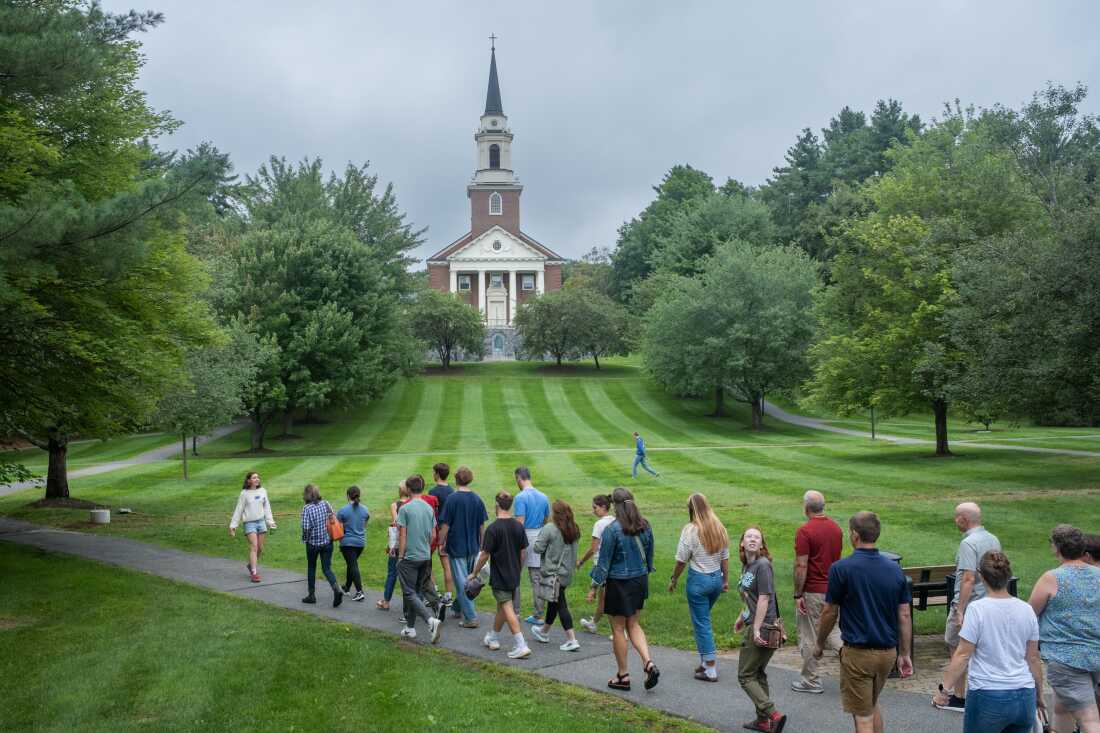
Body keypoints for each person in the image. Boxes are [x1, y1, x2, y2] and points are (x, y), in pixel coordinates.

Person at [814, 511, 913, 733]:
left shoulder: (842, 568)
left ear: (854, 535)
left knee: (863, 716)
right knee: (871, 705)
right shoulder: (895, 570)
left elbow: (830, 611)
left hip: (858, 653)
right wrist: (904, 653)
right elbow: (904, 615)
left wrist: (820, 642)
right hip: (887, 653)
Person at [932, 551, 1044, 733]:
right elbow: (1033, 658)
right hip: (1024, 693)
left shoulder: (977, 610)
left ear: (981, 576)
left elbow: (962, 654)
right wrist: (1039, 694)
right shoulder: (1026, 610)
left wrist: (944, 690)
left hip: (988, 693)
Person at [1027, 524, 1100, 733]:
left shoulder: (1052, 578)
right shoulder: (1098, 574)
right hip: (1097, 654)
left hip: (1066, 658)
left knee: (1090, 719)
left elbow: (1029, 614)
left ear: (1056, 548)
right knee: (1061, 707)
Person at [588, 487, 659, 692]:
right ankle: (648, 663)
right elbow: (650, 555)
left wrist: (594, 587)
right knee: (634, 624)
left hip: (618, 583)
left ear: (616, 506)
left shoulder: (612, 529)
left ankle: (623, 675)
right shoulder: (645, 525)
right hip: (640, 580)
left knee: (618, 628)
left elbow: (603, 563)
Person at [938, 501, 1002, 713]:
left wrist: (960, 610)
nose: (955, 520)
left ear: (963, 519)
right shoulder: (992, 538)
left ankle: (959, 696)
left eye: (957, 517)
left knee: (955, 646)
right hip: (989, 601)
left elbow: (967, 578)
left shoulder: (968, 543)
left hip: (971, 602)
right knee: (981, 650)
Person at [668, 493, 729, 682]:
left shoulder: (690, 530)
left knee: (702, 623)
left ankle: (710, 667)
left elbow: (681, 560)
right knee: (702, 620)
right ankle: (704, 662)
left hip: (699, 581)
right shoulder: (719, 527)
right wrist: (725, 580)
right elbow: (725, 557)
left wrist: (674, 579)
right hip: (715, 580)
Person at [734, 526, 787, 732]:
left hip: (763, 627)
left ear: (762, 544)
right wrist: (742, 617)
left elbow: (765, 598)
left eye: (757, 537)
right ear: (742, 542)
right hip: (756, 623)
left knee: (745, 675)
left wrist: (756, 629)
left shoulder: (762, 565)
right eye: (749, 536)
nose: (753, 539)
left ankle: (772, 713)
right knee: (758, 673)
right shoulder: (748, 566)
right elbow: (751, 597)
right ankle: (764, 721)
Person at [469, 491, 532, 659]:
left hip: (500, 576)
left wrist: (474, 573)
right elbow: (523, 552)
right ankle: (493, 637)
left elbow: (484, 555)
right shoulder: (518, 526)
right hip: (514, 574)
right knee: (502, 608)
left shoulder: (493, 528)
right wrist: (517, 569)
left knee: (507, 608)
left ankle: (521, 644)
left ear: (496, 505)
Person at [792, 489, 843, 694]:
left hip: (813, 590)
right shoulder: (836, 528)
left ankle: (810, 680)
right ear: (823, 506)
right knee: (834, 632)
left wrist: (798, 594)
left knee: (809, 635)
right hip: (834, 590)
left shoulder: (805, 531)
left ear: (806, 508)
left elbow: (801, 566)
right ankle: (855, 670)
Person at [438, 465, 488, 628]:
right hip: (472, 547)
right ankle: (458, 608)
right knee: (468, 578)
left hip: (457, 547)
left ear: (456, 478)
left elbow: (445, 526)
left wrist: (440, 542)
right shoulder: (477, 499)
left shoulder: (452, 499)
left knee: (461, 583)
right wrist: (482, 545)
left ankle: (471, 618)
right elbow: (482, 526)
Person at [395, 474, 443, 643]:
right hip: (425, 556)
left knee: (409, 593)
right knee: (416, 593)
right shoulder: (428, 508)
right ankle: (410, 628)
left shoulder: (405, 509)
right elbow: (433, 535)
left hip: (410, 557)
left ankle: (430, 621)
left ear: (408, 489)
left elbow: (402, 535)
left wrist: (400, 556)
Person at [531, 500, 582, 651]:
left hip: (554, 573)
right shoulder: (574, 528)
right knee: (554, 602)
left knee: (560, 604)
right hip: (566, 573)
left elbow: (537, 548)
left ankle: (572, 639)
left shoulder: (550, 528)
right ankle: (544, 632)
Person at [512, 466, 550, 625]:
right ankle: (538, 615)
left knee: (515, 575)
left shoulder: (520, 497)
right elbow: (547, 519)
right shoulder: (543, 496)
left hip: (525, 536)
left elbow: (520, 523)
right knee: (537, 578)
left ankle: (515, 613)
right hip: (540, 536)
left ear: (519, 478)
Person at [299, 484, 344, 608]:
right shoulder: (326, 503)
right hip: (327, 542)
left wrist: (305, 539)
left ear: (306, 495)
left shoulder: (306, 508)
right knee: (327, 568)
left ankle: (311, 595)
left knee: (312, 568)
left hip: (313, 544)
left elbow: (306, 528)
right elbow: (332, 519)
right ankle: (337, 589)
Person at [229, 470, 276, 583]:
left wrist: (270, 522)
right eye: (254, 478)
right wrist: (233, 525)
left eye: (258, 477)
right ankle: (254, 573)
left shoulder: (263, 491)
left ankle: (251, 565)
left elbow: (267, 508)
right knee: (254, 546)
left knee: (260, 548)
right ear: (249, 480)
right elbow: (239, 509)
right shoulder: (244, 493)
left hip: (261, 522)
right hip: (249, 523)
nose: (257, 479)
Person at [578, 494, 614, 634]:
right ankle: (593, 623)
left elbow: (593, 549)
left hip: (601, 565)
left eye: (595, 507)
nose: (593, 510)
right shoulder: (615, 520)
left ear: (603, 507)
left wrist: (581, 561)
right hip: (613, 563)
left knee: (606, 600)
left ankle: (618, 631)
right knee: (603, 598)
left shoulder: (599, 524)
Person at [377, 480, 410, 611]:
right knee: (408, 575)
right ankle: (409, 606)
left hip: (396, 544)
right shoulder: (412, 504)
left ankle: (386, 601)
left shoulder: (395, 505)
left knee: (392, 572)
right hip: (410, 542)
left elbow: (396, 523)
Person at [429, 462, 456, 607]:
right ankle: (448, 595)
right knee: (447, 565)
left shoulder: (433, 492)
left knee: (427, 562)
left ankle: (435, 591)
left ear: (438, 474)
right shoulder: (452, 491)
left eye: (434, 472)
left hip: (436, 531)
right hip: (449, 532)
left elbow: (430, 514)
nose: (433, 475)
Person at [336, 485, 369, 602]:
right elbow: (364, 525)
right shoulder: (365, 509)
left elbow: (338, 529)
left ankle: (360, 591)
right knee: (352, 564)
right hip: (360, 543)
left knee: (353, 565)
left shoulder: (342, 511)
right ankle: (347, 587)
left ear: (347, 496)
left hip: (347, 543)